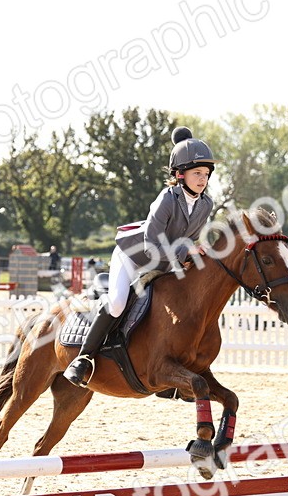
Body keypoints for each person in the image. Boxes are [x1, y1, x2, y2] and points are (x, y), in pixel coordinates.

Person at [64, 126, 217, 386]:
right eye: (197, 173)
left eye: (206, 174)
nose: (203, 179)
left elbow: (188, 239)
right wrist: (185, 251)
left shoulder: (206, 204)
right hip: (134, 256)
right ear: (180, 175)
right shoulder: (166, 199)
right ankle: (84, 359)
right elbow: (151, 244)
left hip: (163, 263)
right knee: (117, 303)